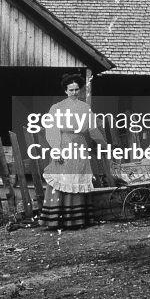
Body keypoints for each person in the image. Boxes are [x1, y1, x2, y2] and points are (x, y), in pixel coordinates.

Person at [38, 73, 109, 230]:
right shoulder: (57, 108)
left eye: (77, 89)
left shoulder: (85, 108)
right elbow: (52, 130)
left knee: (78, 177)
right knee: (63, 178)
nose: (75, 93)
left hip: (80, 146)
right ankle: (57, 220)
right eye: (71, 90)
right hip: (64, 144)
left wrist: (104, 144)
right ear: (65, 91)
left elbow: (92, 129)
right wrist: (57, 151)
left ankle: (77, 219)